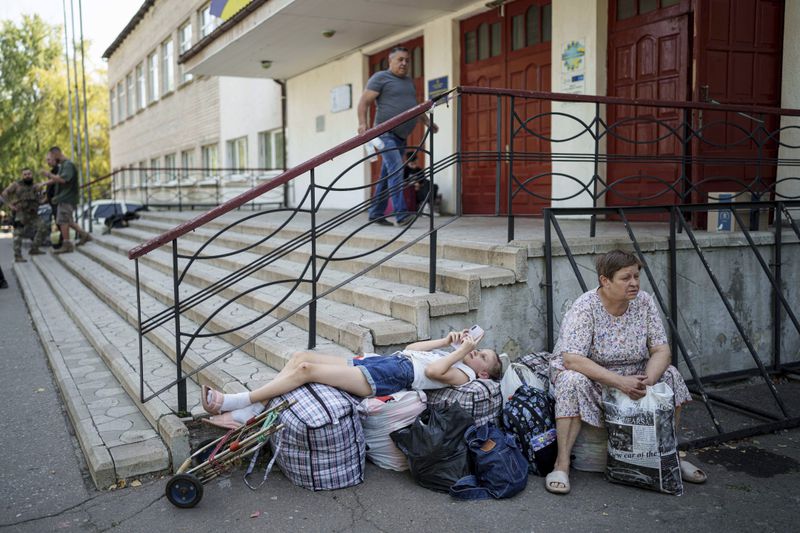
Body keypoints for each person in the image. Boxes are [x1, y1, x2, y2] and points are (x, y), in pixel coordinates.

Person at [545, 249, 707, 494]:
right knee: (569, 380)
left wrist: (648, 381)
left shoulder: (644, 302)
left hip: (635, 377)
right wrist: (621, 382)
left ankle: (669, 456)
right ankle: (562, 464)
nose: (634, 283)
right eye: (625, 278)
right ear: (605, 280)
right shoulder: (585, 307)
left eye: (636, 276)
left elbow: (662, 350)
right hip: (597, 378)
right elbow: (572, 359)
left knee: (670, 374)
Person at [201, 330, 502, 429]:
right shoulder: (453, 356)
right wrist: (445, 340)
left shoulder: (466, 374)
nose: (477, 353)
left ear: (484, 372)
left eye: (483, 356)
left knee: (307, 370)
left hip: (390, 377)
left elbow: (434, 374)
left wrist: (461, 351)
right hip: (386, 362)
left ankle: (239, 403)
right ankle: (250, 411)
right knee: (299, 357)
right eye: (479, 351)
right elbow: (410, 350)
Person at [357, 46, 437, 227]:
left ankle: (376, 213)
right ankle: (401, 215)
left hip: (400, 137)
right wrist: (363, 123)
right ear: (390, 61)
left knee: (387, 176)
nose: (404, 63)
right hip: (384, 133)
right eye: (400, 59)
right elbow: (364, 102)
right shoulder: (380, 78)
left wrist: (427, 123)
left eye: (407, 60)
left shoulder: (408, 81)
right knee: (396, 169)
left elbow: (414, 107)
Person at [38, 146, 91, 254]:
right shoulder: (63, 165)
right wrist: (44, 183)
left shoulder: (68, 165)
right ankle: (84, 235)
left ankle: (67, 245)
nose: (51, 160)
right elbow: (57, 179)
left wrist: (48, 174)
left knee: (63, 221)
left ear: (56, 154)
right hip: (63, 197)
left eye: (51, 157)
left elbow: (63, 180)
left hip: (66, 197)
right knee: (68, 221)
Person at [1, 168, 48, 262]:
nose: (27, 176)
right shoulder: (16, 185)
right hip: (21, 213)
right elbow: (4, 194)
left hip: (33, 213)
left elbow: (40, 198)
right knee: (18, 234)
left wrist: (43, 200)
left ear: (32, 175)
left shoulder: (35, 185)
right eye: (25, 174)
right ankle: (18, 256)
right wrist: (10, 205)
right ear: (22, 176)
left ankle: (34, 248)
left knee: (43, 228)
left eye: (29, 174)